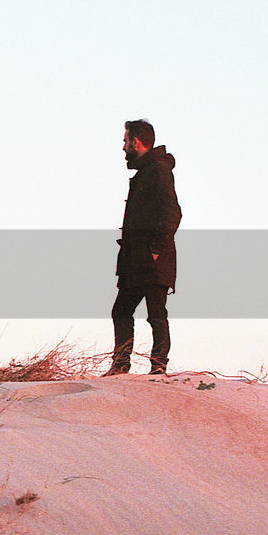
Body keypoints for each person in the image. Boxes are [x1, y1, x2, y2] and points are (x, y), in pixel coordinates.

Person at [106, 119, 182, 375]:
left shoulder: (159, 170)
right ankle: (120, 366)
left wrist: (155, 250)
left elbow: (172, 212)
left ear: (136, 142)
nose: (124, 146)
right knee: (122, 311)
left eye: (126, 141)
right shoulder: (146, 172)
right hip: (135, 261)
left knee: (156, 314)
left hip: (151, 260)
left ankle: (158, 367)